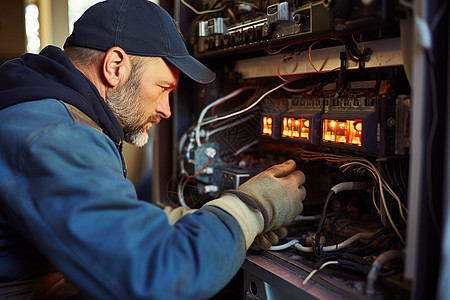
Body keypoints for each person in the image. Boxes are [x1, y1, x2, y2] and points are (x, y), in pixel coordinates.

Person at [0, 0, 306, 299]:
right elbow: (155, 275)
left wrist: (215, 226)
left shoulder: (44, 112)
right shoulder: (57, 134)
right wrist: (252, 209)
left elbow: (114, 224)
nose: (166, 110)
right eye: (163, 88)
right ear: (115, 66)